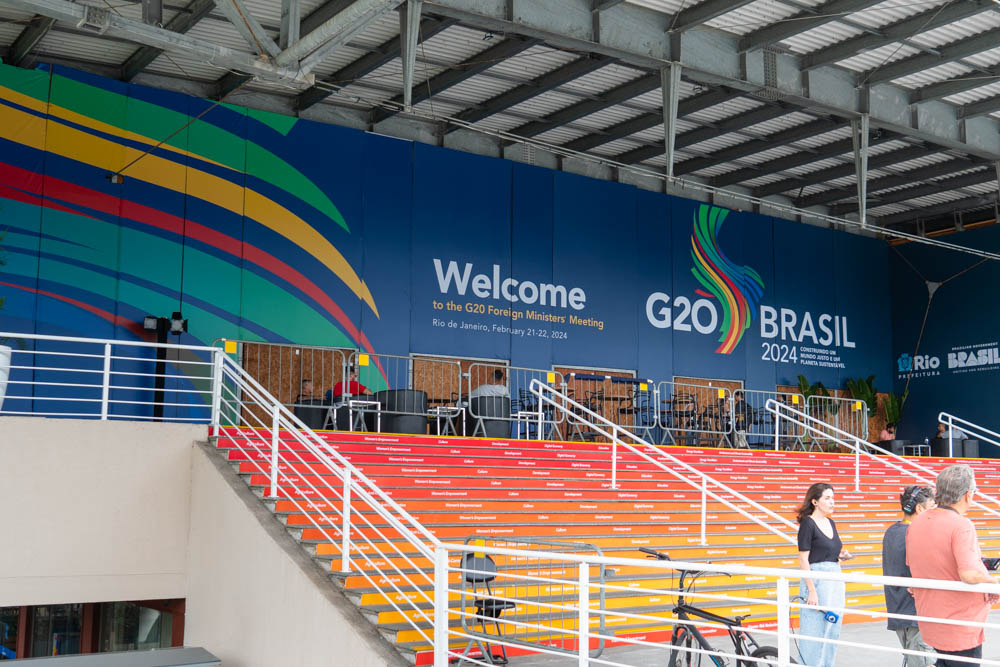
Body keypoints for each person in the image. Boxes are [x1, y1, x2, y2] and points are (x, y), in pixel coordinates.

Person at [907, 464, 999, 667]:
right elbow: (969, 574)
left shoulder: (918, 522)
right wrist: (990, 580)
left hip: (931, 620)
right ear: (968, 495)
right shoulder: (962, 525)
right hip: (959, 625)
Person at [796, 483, 854, 667]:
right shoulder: (808, 524)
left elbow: (827, 551)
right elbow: (803, 559)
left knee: (832, 631)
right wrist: (812, 591)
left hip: (835, 580)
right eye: (827, 498)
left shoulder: (831, 523)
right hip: (817, 581)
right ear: (815, 501)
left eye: (833, 498)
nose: (832, 502)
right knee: (814, 632)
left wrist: (840, 555)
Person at [882, 485, 937, 667]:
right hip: (916, 612)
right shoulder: (916, 533)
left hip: (899, 609)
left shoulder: (891, 531)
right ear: (919, 508)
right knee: (924, 661)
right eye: (932, 507)